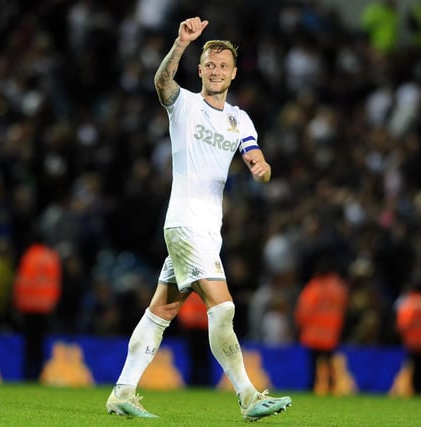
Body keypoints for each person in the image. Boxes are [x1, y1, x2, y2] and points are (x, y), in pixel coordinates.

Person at [106, 16, 292, 421]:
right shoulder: (184, 104)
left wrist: (262, 169)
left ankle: (122, 391)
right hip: (185, 222)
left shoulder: (240, 118)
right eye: (210, 64)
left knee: (161, 312)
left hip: (209, 229)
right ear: (201, 68)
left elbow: (255, 156)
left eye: (224, 66)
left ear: (234, 73)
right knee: (222, 308)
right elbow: (161, 83)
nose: (216, 71)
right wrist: (180, 43)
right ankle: (248, 396)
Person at [294, 257, 348, 395]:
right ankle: (331, 386)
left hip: (313, 334)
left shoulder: (314, 288)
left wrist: (300, 326)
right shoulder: (339, 288)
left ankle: (312, 387)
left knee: (313, 365)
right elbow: (344, 308)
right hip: (331, 333)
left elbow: (303, 310)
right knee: (329, 362)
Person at [13, 230, 62, 381]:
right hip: (45, 306)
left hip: (28, 306)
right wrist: (52, 302)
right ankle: (41, 374)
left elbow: (21, 281)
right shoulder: (51, 257)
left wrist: (18, 304)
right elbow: (55, 282)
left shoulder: (28, 256)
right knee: (41, 342)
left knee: (30, 343)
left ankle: (29, 375)